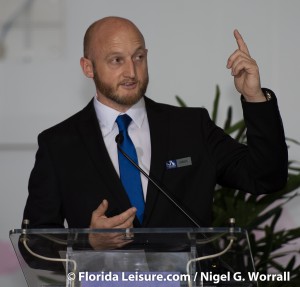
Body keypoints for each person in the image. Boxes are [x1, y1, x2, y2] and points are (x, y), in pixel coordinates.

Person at [23, 17, 287, 248]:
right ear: (88, 67)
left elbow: (265, 177)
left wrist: (254, 98)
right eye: (117, 60)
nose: (132, 72)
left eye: (139, 57)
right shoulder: (59, 145)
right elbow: (34, 244)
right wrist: (88, 242)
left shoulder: (191, 127)